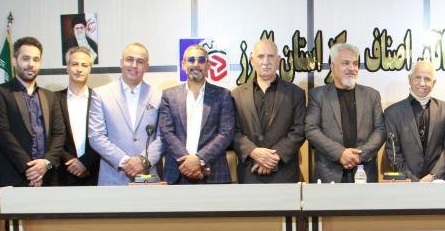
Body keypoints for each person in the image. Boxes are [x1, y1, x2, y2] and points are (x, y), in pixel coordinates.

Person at [0, 36, 65, 188]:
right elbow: (2, 134)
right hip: (14, 177)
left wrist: (46, 164)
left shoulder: (50, 96)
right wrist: (30, 170)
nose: (31, 64)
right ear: (14, 61)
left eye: (36, 59)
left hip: (48, 177)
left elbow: (59, 134)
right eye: (25, 58)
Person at [304, 42, 385, 183]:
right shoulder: (318, 95)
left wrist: (359, 156)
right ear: (332, 67)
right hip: (329, 173)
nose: (352, 68)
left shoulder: (372, 95)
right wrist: (340, 153)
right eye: (345, 63)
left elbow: (381, 130)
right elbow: (311, 129)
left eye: (355, 64)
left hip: (364, 171)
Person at [158, 44, 235, 184]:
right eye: (191, 60)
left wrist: (199, 159)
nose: (196, 64)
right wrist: (188, 162)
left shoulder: (223, 95)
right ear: (183, 64)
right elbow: (166, 132)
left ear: (208, 65)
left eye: (201, 60)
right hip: (177, 172)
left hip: (213, 173)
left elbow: (226, 133)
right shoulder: (169, 95)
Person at [231, 39, 305, 183]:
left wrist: (274, 157)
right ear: (252, 60)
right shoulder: (236, 95)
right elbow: (232, 131)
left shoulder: (296, 93)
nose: (266, 62)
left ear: (278, 60)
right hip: (249, 172)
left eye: (270, 56)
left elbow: (300, 130)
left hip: (284, 173)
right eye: (260, 56)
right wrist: (254, 152)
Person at [88, 43, 162, 185]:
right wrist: (125, 162)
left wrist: (142, 161)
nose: (134, 65)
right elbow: (96, 136)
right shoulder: (101, 94)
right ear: (121, 62)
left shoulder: (158, 95)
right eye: (129, 59)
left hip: (148, 178)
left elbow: (162, 137)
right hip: (113, 178)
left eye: (140, 61)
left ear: (146, 66)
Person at [383, 60, 445, 182]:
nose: (422, 83)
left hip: (438, 182)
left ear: (434, 83)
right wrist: (414, 181)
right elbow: (393, 153)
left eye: (427, 79)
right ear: (409, 79)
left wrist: (433, 176)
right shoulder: (392, 113)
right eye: (418, 77)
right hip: (407, 184)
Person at [56, 46, 99, 185]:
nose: (79, 69)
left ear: (90, 69)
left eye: (84, 65)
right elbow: (51, 137)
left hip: (94, 174)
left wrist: (85, 163)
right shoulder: (53, 99)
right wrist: (70, 162)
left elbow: (104, 136)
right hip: (63, 175)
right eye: (74, 64)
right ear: (67, 68)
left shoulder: (100, 99)